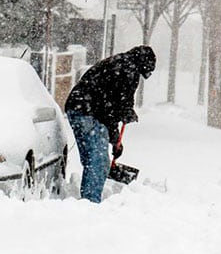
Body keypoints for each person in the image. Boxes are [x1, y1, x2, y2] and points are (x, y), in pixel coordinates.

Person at [64, 45, 156, 203]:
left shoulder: (119, 62)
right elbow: (115, 107)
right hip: (88, 111)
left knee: (94, 159)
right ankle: (90, 203)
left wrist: (115, 137)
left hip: (78, 108)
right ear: (143, 64)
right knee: (97, 161)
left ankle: (89, 199)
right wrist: (116, 135)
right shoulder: (128, 71)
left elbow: (114, 104)